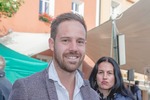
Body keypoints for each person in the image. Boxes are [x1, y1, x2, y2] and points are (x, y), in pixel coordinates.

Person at [8, 12, 99, 100]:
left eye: (80, 42)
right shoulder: (26, 89)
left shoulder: (93, 96)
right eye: (65, 40)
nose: (74, 48)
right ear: (52, 44)